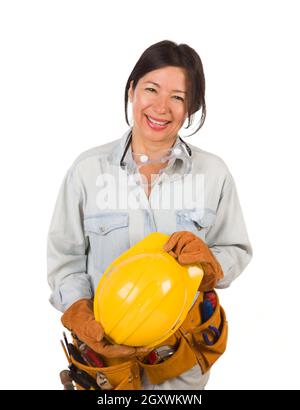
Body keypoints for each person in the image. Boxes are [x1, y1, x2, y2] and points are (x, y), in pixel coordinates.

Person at [47, 40, 252, 390]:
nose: (161, 107)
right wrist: (79, 310)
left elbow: (235, 248)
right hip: (104, 368)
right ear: (132, 91)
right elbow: (65, 259)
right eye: (151, 89)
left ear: (191, 107)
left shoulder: (213, 173)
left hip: (179, 368)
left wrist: (211, 266)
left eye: (177, 96)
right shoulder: (87, 171)